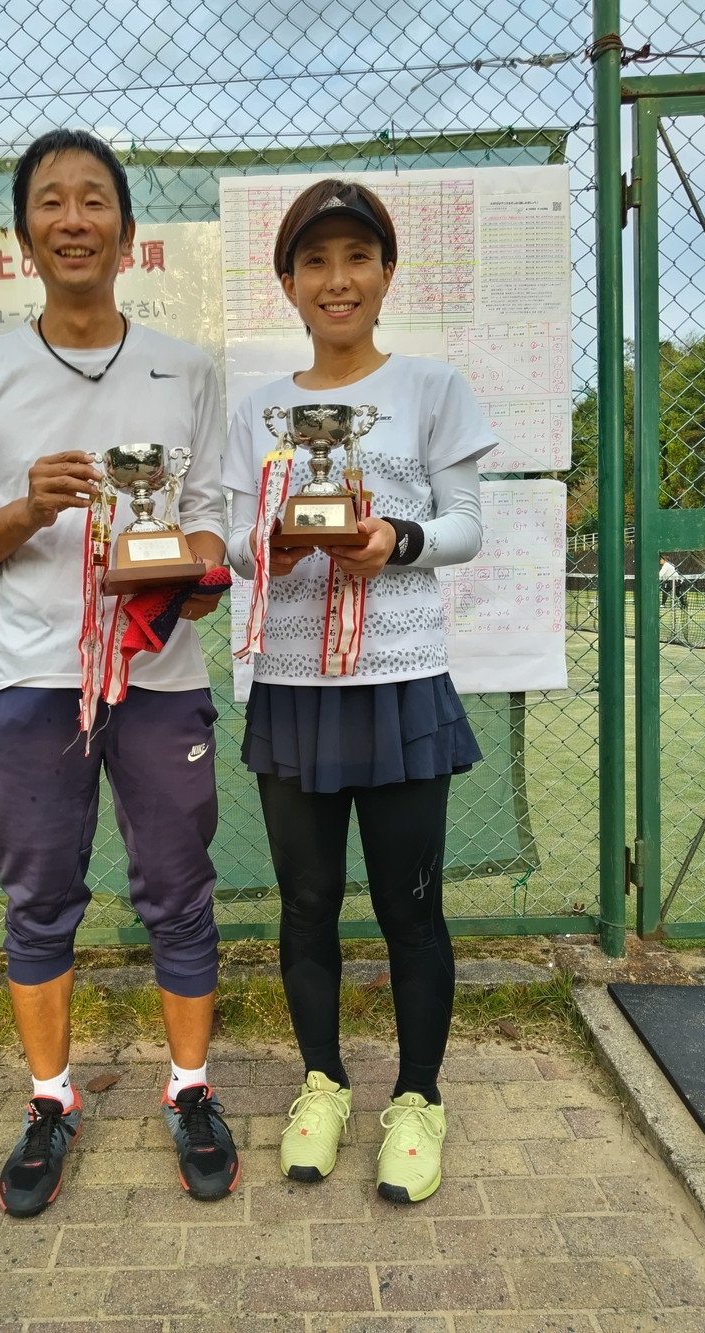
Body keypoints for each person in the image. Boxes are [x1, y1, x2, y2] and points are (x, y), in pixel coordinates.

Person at [0, 129, 239, 1216]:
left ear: (127, 231)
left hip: (158, 676)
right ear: (24, 235)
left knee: (178, 890)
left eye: (93, 199)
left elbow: (208, 528)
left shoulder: (187, 369)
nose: (73, 218)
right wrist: (27, 508)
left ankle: (190, 1087)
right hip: (32, 680)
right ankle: (50, 1100)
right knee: (39, 899)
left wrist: (198, 578)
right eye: (51, 201)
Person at [223, 179, 496, 1203]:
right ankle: (323, 1084)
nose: (336, 279)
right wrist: (269, 542)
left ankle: (417, 1099)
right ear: (288, 282)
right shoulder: (256, 407)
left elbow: (467, 524)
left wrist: (396, 539)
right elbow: (238, 547)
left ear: (385, 273)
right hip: (293, 685)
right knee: (305, 903)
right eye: (315, 261)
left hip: (398, 681)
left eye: (355, 258)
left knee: (409, 906)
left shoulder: (432, 386)